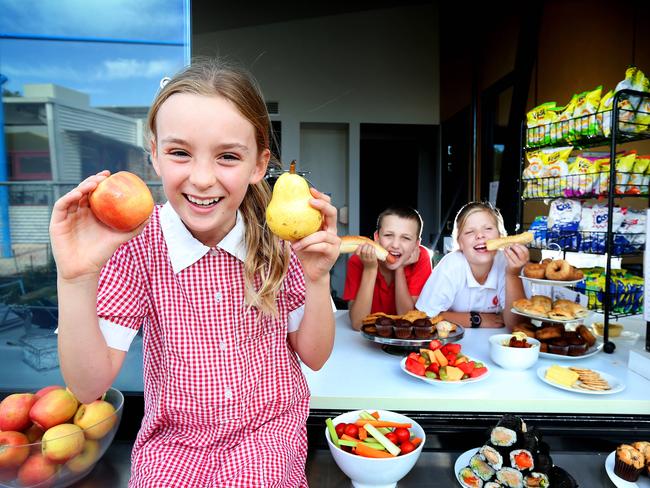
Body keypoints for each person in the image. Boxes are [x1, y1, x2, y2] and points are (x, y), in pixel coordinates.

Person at [50, 59, 341, 487]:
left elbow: (314, 356)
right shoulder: (135, 245)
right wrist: (74, 279)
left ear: (259, 165)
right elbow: (88, 386)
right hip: (172, 447)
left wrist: (317, 279)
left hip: (267, 439)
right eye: (180, 153)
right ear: (154, 156)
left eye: (227, 156)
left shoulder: (283, 237)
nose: (202, 179)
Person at [415, 201, 529, 329]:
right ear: (460, 243)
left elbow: (518, 326)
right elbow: (423, 318)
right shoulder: (451, 265)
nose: (480, 235)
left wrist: (513, 274)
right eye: (469, 232)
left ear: (500, 235)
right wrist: (476, 319)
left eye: (488, 228)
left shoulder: (507, 264)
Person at [344, 206, 432, 330]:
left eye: (406, 238)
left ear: (416, 244)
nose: (395, 245)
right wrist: (370, 269)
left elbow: (408, 321)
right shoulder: (357, 260)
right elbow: (358, 324)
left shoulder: (421, 258)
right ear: (377, 238)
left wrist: (399, 268)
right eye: (388, 235)